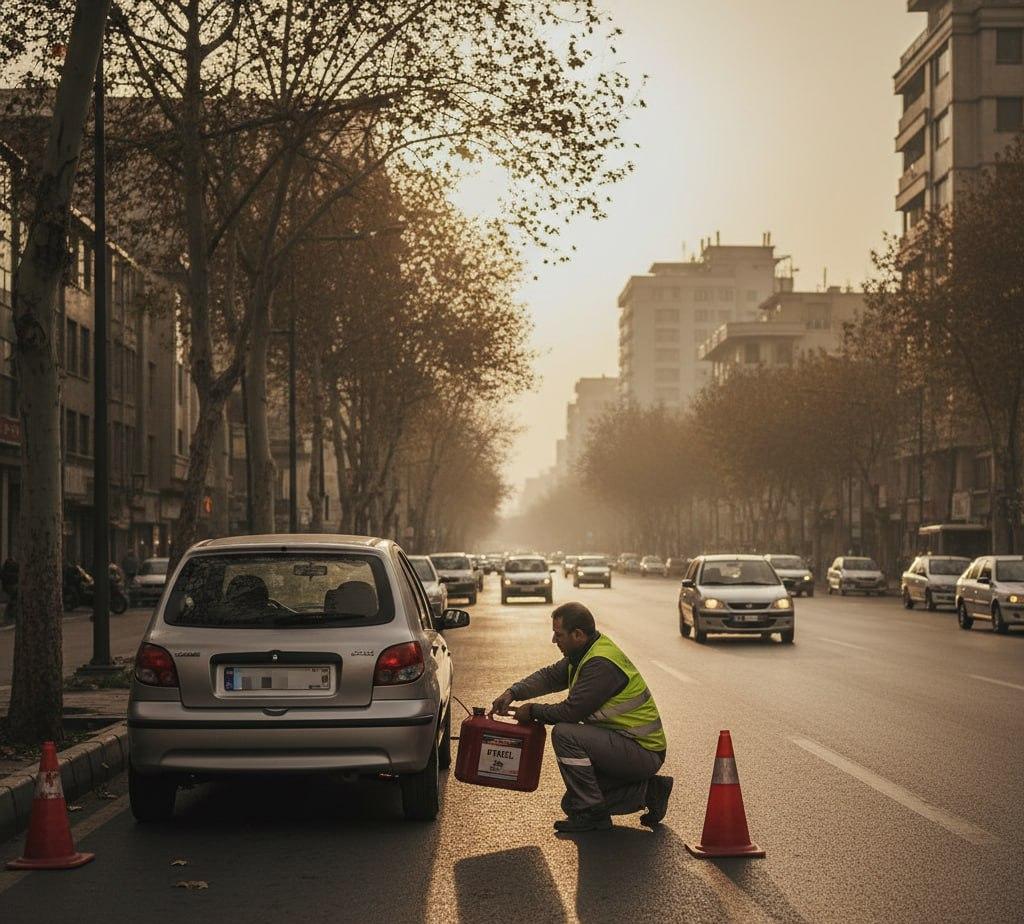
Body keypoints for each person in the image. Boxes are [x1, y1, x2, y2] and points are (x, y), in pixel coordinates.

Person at [491, 602, 673, 833]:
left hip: (642, 751)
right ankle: (649, 792)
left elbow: (570, 712)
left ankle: (594, 815)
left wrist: (533, 711)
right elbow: (548, 678)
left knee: (565, 734)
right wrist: (512, 692)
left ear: (578, 634)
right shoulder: (583, 654)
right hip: (623, 745)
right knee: (571, 803)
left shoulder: (600, 664)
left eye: (559, 635)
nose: (554, 641)